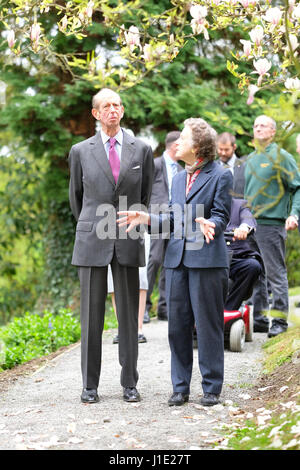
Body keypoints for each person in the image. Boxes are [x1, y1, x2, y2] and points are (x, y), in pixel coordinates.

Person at [118, 118, 233, 407]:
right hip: (177, 261)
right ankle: (180, 388)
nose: (176, 143)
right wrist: (147, 219)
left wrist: (213, 225)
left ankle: (211, 388)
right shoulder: (179, 178)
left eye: (182, 138)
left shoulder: (220, 175)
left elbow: (221, 214)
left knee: (207, 327)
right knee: (177, 327)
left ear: (198, 146)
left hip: (206, 260)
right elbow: (171, 219)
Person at [68, 88, 154, 404]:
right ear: (95, 113)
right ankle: (89, 386)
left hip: (128, 234)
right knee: (91, 317)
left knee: (129, 316)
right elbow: (76, 199)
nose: (113, 110)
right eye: (106, 106)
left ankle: (129, 383)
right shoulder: (80, 151)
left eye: (117, 105)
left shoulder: (141, 149)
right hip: (92, 236)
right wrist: (93, 223)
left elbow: (145, 197)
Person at [244, 115, 300, 337]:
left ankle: (279, 321)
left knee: (275, 273)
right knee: (255, 272)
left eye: (263, 126)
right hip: (249, 225)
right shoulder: (250, 158)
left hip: (271, 223)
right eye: (255, 125)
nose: (258, 129)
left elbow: (297, 187)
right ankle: (258, 318)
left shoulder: (282, 157)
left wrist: (294, 214)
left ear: (273, 132)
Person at [144, 131, 183, 323]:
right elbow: (144, 189)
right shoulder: (155, 164)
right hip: (156, 217)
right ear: (174, 145)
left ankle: (164, 307)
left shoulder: (182, 168)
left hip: (175, 219)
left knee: (171, 262)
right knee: (155, 259)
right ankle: (143, 306)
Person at [109, 232, 150, 343]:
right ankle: (122, 329)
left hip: (138, 224)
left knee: (141, 277)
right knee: (112, 281)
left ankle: (138, 329)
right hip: (108, 226)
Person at [224, 198, 263, 311]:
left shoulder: (239, 205)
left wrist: (244, 227)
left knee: (252, 266)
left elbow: (248, 219)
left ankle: (229, 310)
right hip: (210, 256)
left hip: (235, 257)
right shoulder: (202, 203)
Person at [216, 132, 246, 198]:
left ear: (234, 147)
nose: (223, 153)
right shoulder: (212, 168)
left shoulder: (245, 166)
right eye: (220, 149)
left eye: (226, 150)